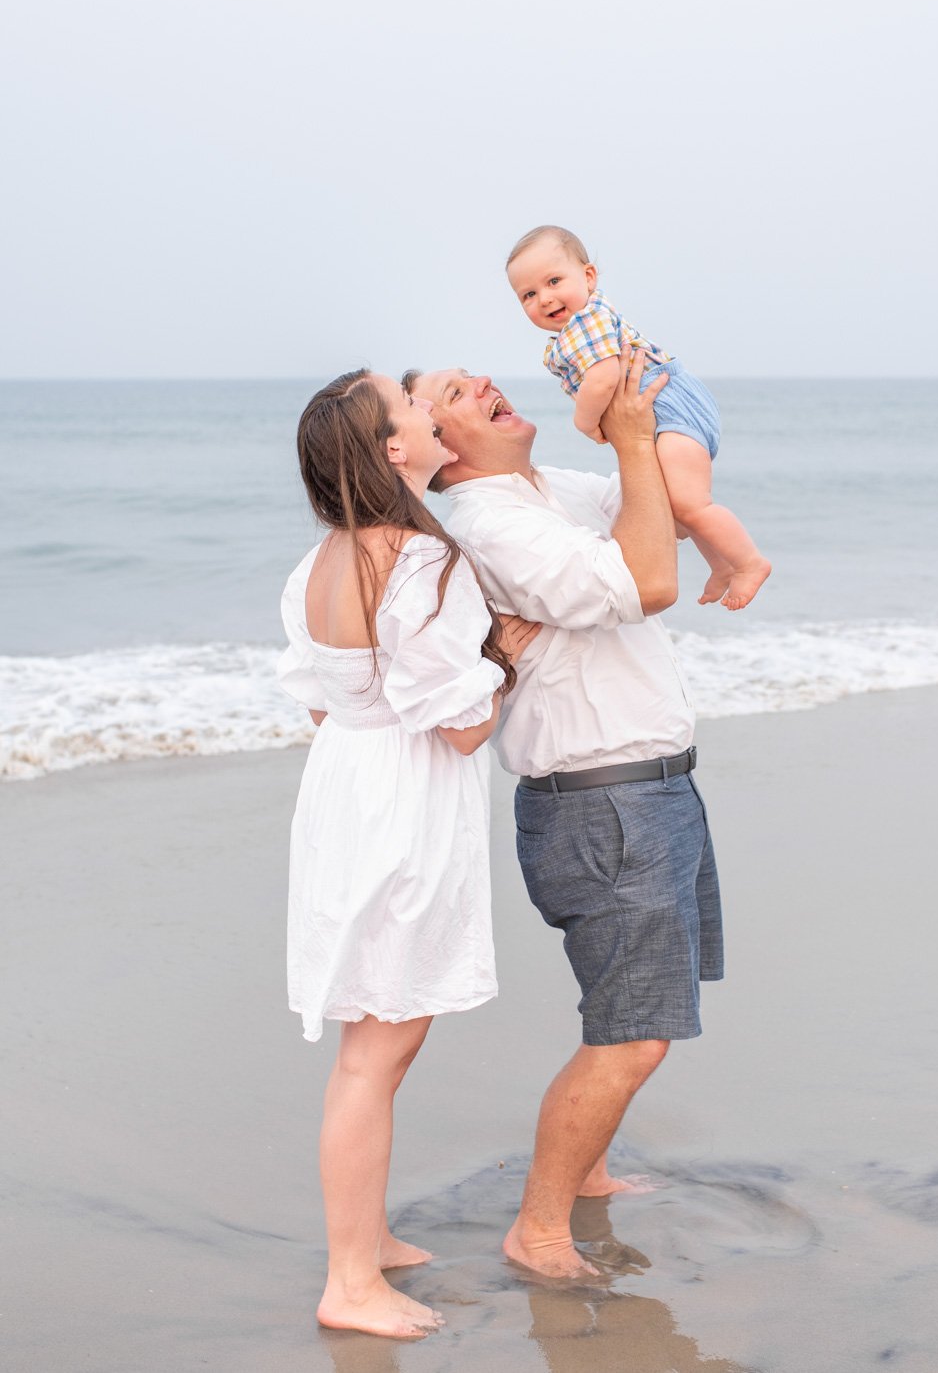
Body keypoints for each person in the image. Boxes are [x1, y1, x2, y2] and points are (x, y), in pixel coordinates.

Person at [402, 352, 724, 1279]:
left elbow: (661, 502)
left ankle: (584, 1177)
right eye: (451, 396)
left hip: (648, 788)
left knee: (632, 1008)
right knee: (632, 1032)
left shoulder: (547, 487)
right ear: (435, 446)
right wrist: (626, 452)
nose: (483, 388)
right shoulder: (493, 523)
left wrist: (627, 411)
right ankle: (537, 1227)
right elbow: (648, 581)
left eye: (475, 377)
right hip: (606, 803)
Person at [277, 371, 538, 1338]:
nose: (430, 412)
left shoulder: (318, 563)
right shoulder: (422, 562)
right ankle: (349, 1281)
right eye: (411, 407)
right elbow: (464, 729)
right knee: (374, 1047)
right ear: (395, 451)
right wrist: (504, 651)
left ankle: (366, 1236)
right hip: (401, 802)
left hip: (346, 786)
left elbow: (318, 695)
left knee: (387, 1033)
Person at [506, 224, 770, 610]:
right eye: (529, 294)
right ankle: (721, 564)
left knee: (691, 504)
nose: (544, 298)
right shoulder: (577, 327)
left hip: (667, 404)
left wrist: (585, 421)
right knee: (677, 504)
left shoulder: (584, 322)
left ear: (589, 276)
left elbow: (603, 376)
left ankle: (750, 562)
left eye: (553, 281)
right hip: (668, 404)